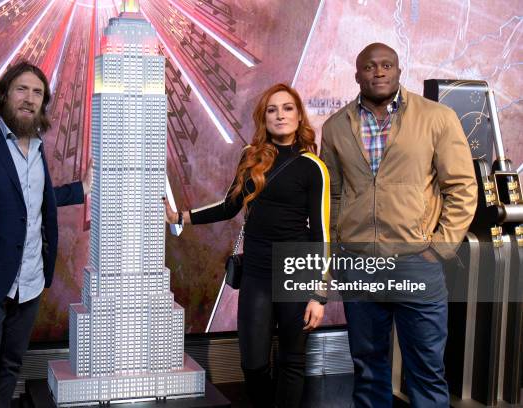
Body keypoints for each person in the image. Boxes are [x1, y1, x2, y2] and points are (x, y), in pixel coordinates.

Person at [319, 43, 477, 407]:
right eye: (370, 67)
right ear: (357, 74)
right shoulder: (335, 127)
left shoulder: (436, 117)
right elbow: (334, 197)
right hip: (359, 264)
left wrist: (440, 247)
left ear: (399, 70)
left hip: (416, 262)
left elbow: (462, 187)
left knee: (426, 372)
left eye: (387, 65)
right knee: (369, 372)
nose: (379, 72)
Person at [164, 83, 330, 408]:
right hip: (256, 271)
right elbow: (229, 205)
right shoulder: (250, 158)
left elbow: (323, 232)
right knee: (253, 364)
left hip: (297, 271)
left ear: (299, 117)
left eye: (287, 108)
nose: (280, 115)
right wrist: (180, 216)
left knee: (292, 362)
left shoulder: (313, 166)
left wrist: (319, 295)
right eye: (272, 110)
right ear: (264, 118)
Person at [0, 61, 93, 407]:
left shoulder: (37, 149)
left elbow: (33, 199)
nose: (29, 98)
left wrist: (81, 189)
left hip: (30, 282)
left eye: (37, 92)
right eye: (22, 89)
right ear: (4, 95)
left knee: (10, 367)